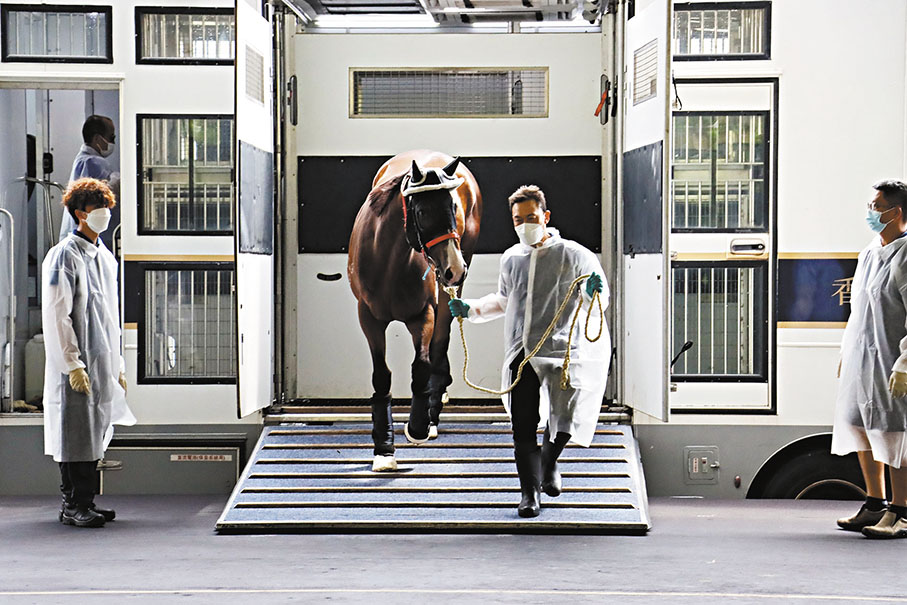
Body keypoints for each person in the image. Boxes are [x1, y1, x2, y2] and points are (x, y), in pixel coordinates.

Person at [448, 185, 610, 517]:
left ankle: (549, 461)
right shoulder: (512, 258)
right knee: (522, 425)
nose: (525, 225)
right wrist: (471, 309)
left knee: (562, 422)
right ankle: (529, 493)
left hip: (562, 352)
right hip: (521, 355)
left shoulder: (575, 255)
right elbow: (504, 301)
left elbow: (599, 300)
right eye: (518, 220)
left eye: (531, 218)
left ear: (545, 216)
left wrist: (594, 292)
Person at [42, 177, 135, 528]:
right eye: (99, 210)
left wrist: (119, 364)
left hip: (101, 360)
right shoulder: (63, 256)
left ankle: (87, 501)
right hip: (78, 363)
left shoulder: (104, 258)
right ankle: (72, 504)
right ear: (80, 214)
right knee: (75, 432)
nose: (105, 215)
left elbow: (112, 315)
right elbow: (56, 314)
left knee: (94, 432)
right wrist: (72, 364)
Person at [833, 179, 907, 539]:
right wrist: (846, 352)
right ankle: (875, 503)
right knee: (860, 427)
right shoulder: (870, 253)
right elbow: (858, 311)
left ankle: (902, 512)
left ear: (896, 212)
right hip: (862, 359)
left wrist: (905, 363)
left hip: (892, 362)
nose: (871, 212)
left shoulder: (905, 255)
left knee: (894, 434)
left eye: (877, 207)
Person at [58, 115, 120, 242]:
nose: (113, 142)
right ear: (97, 138)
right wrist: (117, 181)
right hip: (88, 235)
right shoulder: (92, 162)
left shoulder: (84, 159)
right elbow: (98, 195)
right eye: (111, 137)